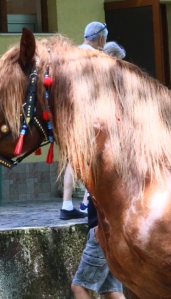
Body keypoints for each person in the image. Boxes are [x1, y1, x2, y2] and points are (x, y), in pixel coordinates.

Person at [65, 196, 142, 299]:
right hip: (108, 233)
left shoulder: (101, 172)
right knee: (112, 290)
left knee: (78, 286)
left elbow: (111, 198)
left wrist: (101, 226)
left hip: (101, 234)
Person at [59, 22, 108, 220]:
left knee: (73, 160)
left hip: (69, 115)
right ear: (101, 39)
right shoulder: (97, 58)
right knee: (95, 158)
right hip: (90, 115)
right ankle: (90, 203)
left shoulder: (71, 55)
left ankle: (66, 204)